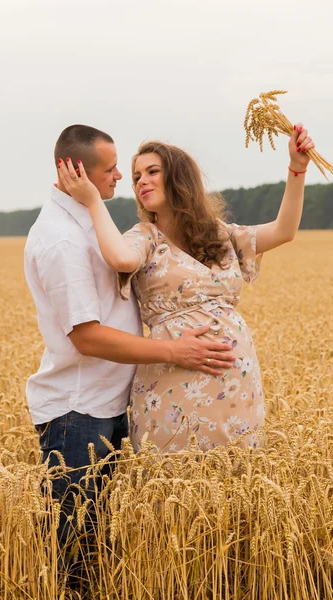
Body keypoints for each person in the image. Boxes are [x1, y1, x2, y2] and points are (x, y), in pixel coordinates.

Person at [24, 125, 236, 547]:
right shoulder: (61, 240)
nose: (121, 176)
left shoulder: (86, 221)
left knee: (105, 542)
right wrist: (175, 350)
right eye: (112, 168)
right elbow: (88, 338)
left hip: (109, 404)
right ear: (75, 170)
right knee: (77, 554)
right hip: (78, 414)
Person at [58, 123, 314, 453]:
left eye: (152, 172)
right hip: (173, 384)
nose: (141, 182)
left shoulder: (221, 234)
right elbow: (121, 259)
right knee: (178, 486)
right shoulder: (144, 237)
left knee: (237, 487)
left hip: (237, 387)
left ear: (178, 178)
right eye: (136, 177)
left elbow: (284, 230)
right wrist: (94, 201)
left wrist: (297, 168)